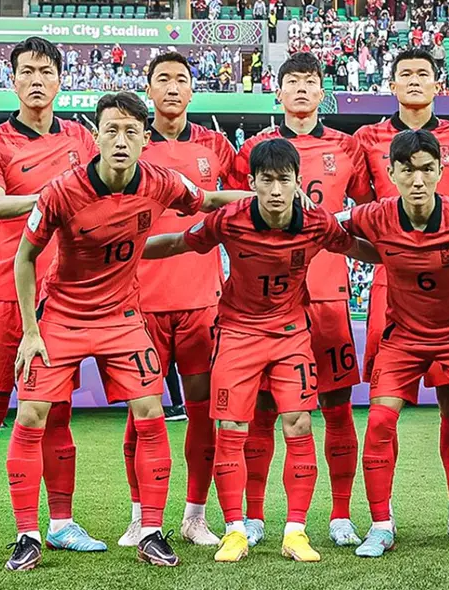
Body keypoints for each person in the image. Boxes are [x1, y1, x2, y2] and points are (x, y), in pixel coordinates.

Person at [5, 91, 252, 571]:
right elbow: (25, 257)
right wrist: (31, 332)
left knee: (150, 412)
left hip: (121, 317)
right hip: (63, 317)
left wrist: (262, 198)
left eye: (131, 132)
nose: (121, 141)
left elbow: (209, 199)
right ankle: (27, 535)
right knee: (32, 415)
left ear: (144, 139)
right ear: (96, 137)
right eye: (111, 131)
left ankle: (151, 531)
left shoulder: (161, 182)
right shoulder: (61, 191)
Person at [144, 137, 379, 563]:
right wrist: (121, 253)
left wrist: (403, 255)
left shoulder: (317, 222)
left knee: (299, 424)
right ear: (251, 182)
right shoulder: (228, 220)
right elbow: (178, 242)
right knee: (232, 428)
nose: (275, 190)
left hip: (291, 335)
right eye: (266, 180)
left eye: (284, 180)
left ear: (297, 182)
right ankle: (235, 530)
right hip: (237, 333)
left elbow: (357, 248)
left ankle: (295, 532)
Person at [0, 37, 101, 562]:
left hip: (59, 299)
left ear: (61, 79)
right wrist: (57, 195)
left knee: (57, 416)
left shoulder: (82, 138)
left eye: (46, 71)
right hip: (4, 295)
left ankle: (60, 523)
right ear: (12, 79)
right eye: (27, 71)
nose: (37, 80)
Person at [345, 129, 449, 560]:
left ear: (441, 170)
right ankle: (381, 526)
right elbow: (324, 228)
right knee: (379, 422)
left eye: (426, 169)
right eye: (407, 170)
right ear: (391, 172)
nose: (417, 180)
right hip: (403, 338)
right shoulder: (374, 216)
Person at [227, 52, 373, 547]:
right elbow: (235, 212)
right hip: (267, 304)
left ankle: (340, 514)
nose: (302, 89)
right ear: (279, 91)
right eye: (293, 81)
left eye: (310, 81)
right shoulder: (253, 150)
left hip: (328, 294)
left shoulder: (347, 147)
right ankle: (253, 516)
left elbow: (366, 211)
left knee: (336, 407)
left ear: (321, 90)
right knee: (264, 409)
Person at [354, 48, 449, 541]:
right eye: (404, 73)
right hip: (392, 286)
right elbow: (357, 213)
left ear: (437, 84)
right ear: (391, 84)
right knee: (383, 410)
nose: (413, 80)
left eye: (422, 73)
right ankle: (380, 519)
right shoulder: (366, 139)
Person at [117, 51, 238, 549]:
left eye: (180, 79)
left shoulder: (217, 146)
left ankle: (195, 516)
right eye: (162, 79)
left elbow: (241, 208)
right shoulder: (131, 144)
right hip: (139, 301)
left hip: (201, 301)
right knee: (140, 415)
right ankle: (139, 516)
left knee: (203, 411)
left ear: (192, 90)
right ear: (148, 89)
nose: (171, 87)